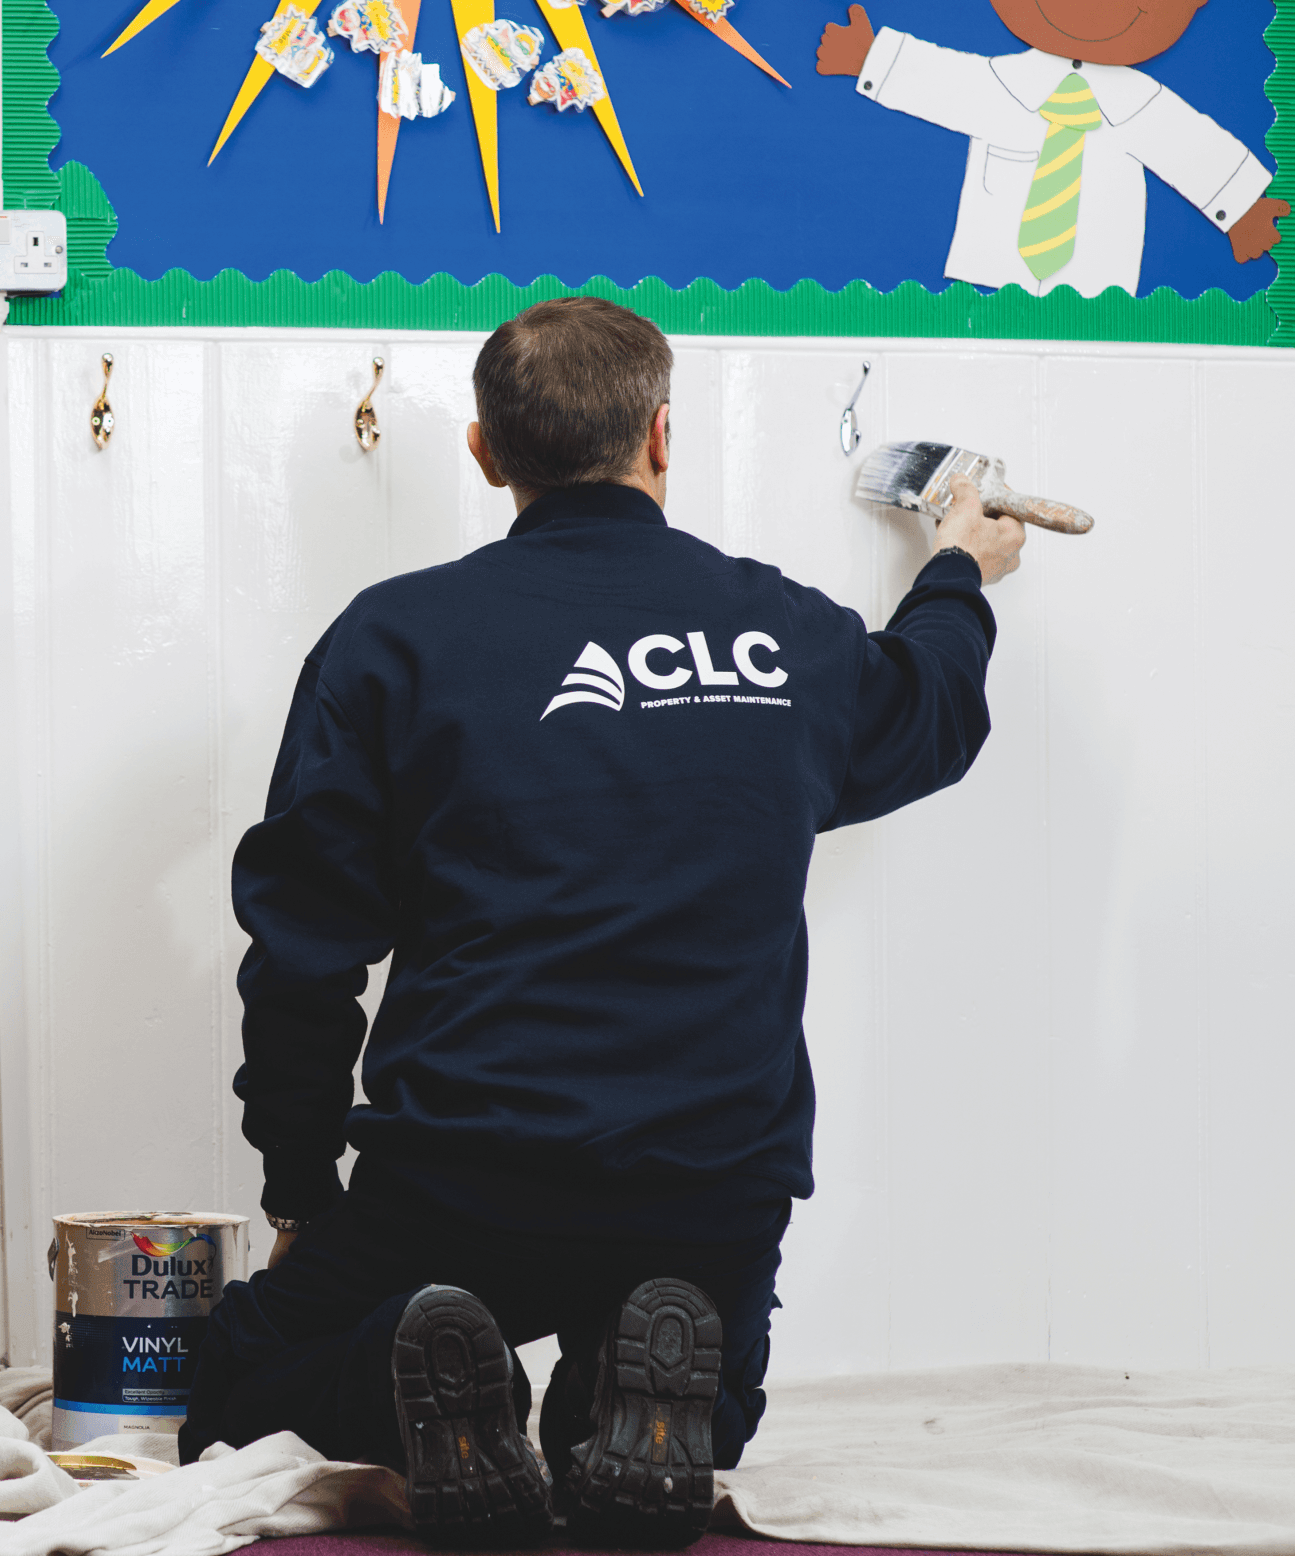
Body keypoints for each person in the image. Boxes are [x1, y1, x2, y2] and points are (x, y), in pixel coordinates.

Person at [180, 297, 1027, 1547]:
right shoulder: (784, 634)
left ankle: (437, 1404)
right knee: (678, 1392)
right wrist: (957, 566)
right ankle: (614, 1416)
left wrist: (301, 1183)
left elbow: (304, 946)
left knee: (227, 1387)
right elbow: (929, 707)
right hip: (711, 1183)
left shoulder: (393, 640)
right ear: (662, 436)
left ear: (484, 451)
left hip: (463, 1177)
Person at [817, 0, 1286, 298]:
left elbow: (1187, 142)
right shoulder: (1003, 83)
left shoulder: (1142, 103)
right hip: (988, 279)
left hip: (1098, 285)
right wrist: (870, 58)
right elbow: (948, 81)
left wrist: (1240, 210)